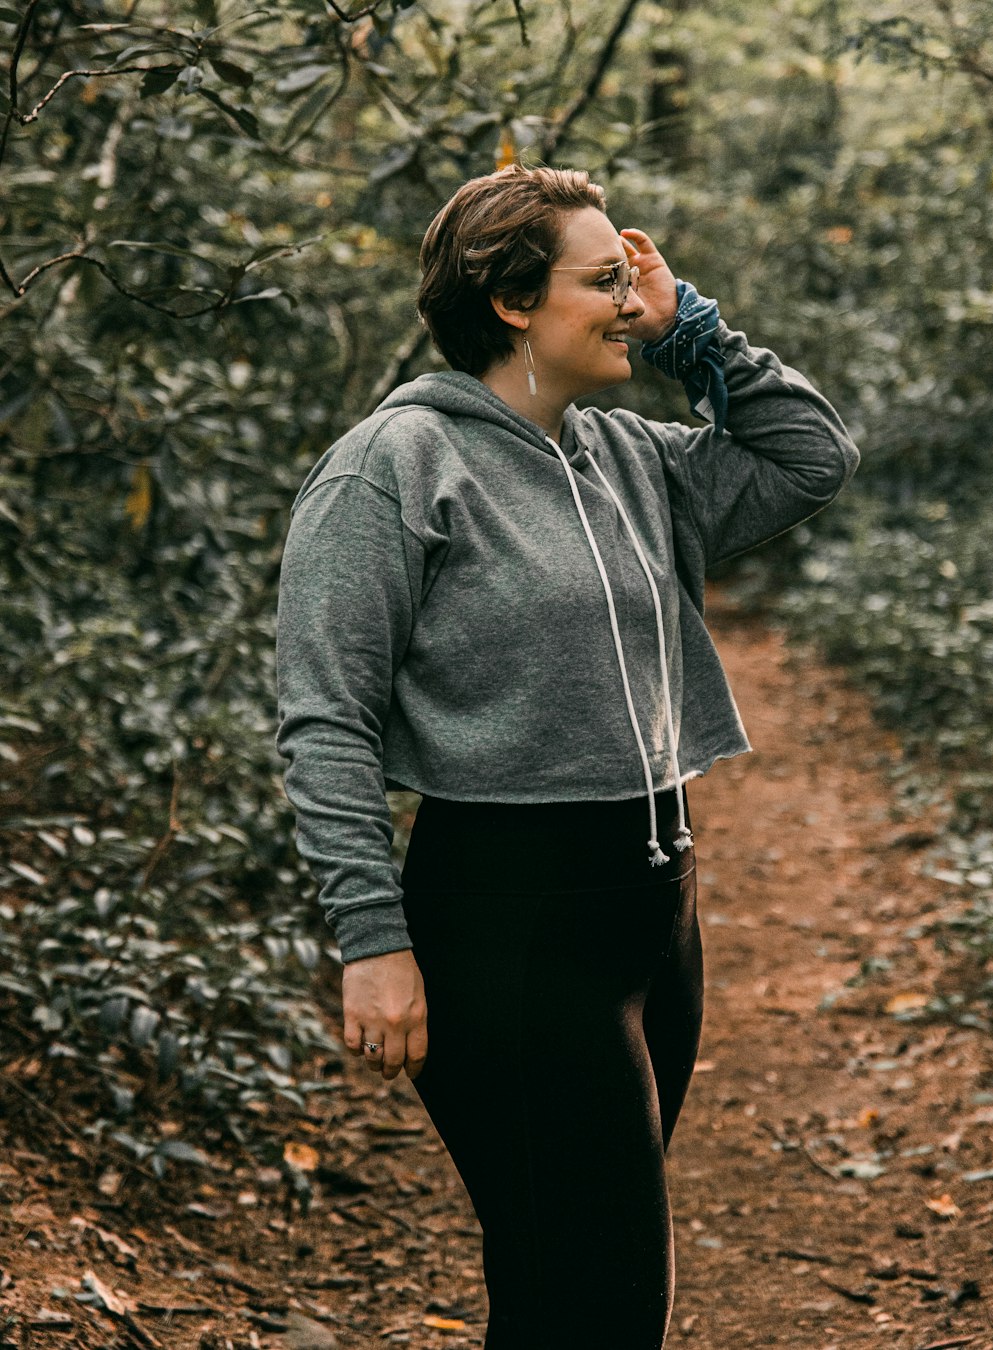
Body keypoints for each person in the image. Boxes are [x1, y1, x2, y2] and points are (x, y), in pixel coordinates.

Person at [275, 163, 860, 1349]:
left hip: (654, 910)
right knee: (595, 1298)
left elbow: (812, 455)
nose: (631, 303)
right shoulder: (393, 469)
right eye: (604, 281)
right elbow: (325, 714)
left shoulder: (631, 457)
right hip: (511, 924)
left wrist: (690, 318)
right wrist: (372, 942)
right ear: (510, 304)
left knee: (567, 1283)